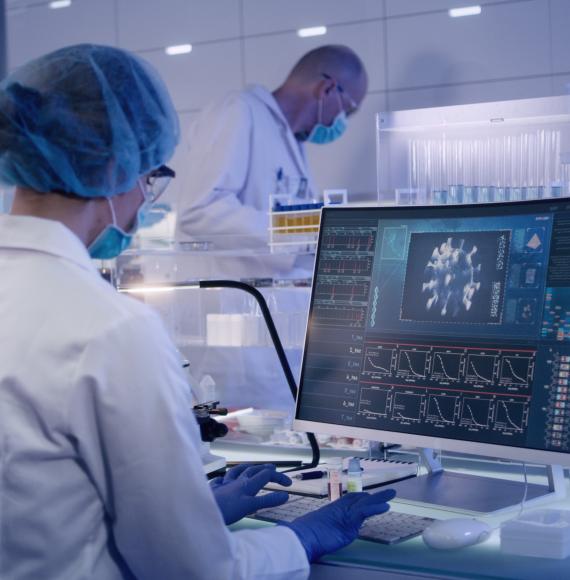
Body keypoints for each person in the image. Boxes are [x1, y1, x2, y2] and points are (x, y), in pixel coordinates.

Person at [0, 44, 395, 579]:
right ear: (116, 163)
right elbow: (194, 571)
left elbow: (51, 496)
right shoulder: (113, 330)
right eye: (150, 178)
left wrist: (196, 510)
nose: (146, 200)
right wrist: (301, 539)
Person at [175, 44, 368, 257]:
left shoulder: (291, 141)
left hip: (272, 288)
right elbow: (200, 211)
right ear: (327, 89)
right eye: (347, 111)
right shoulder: (238, 110)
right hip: (230, 288)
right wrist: (300, 232)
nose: (342, 122)